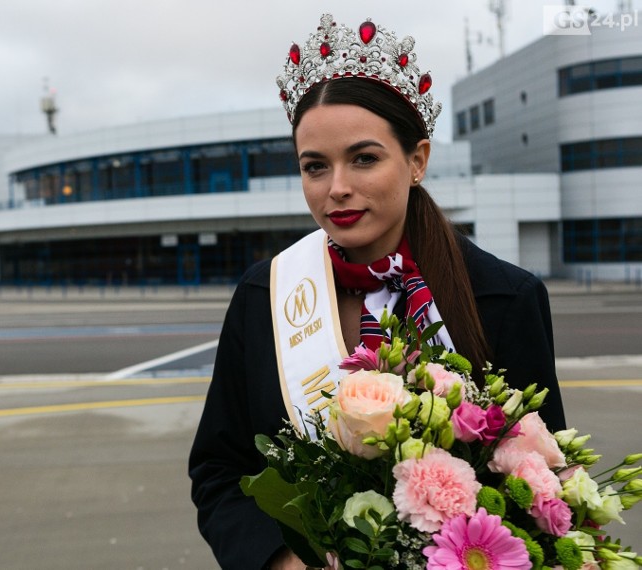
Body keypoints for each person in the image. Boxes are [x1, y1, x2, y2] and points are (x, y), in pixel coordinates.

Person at [189, 14, 566, 570]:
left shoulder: (505, 299)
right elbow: (219, 470)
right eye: (315, 166)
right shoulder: (263, 296)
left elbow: (543, 486)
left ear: (417, 160)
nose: (336, 187)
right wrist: (282, 562)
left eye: (363, 158)